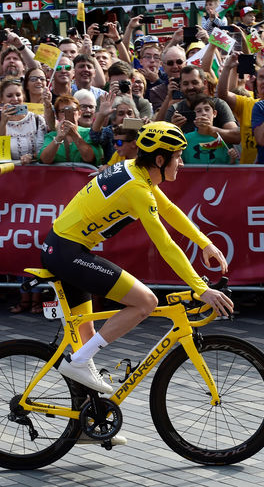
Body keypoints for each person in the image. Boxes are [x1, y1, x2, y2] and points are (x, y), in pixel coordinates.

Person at [44, 121, 233, 395]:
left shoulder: (137, 171)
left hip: (66, 249)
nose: (181, 163)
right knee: (146, 301)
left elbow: (169, 209)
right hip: (67, 253)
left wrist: (204, 242)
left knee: (85, 351)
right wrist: (200, 288)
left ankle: (86, 424)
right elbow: (165, 245)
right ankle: (79, 364)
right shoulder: (137, 189)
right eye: (178, 156)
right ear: (160, 159)